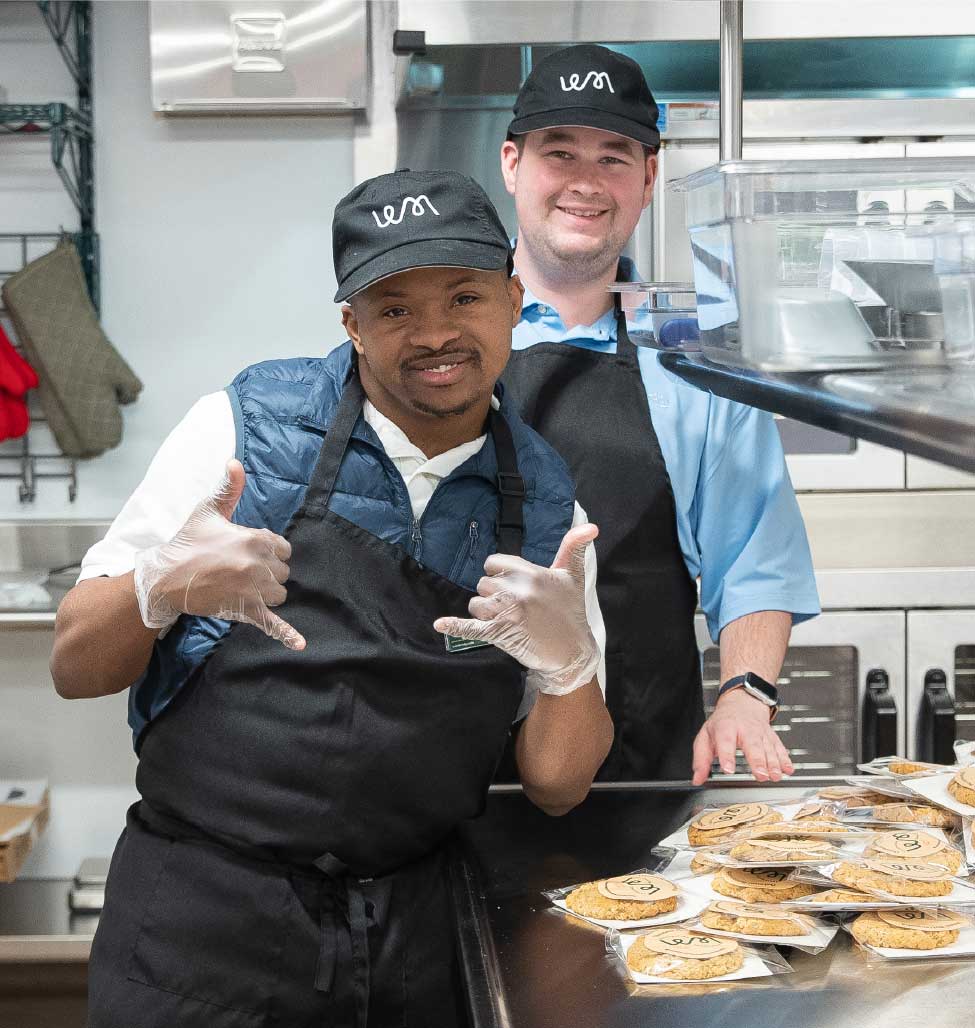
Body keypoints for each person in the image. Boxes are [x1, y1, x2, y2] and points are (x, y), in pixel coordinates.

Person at [51, 169, 613, 1028]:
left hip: (417, 935)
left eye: (464, 298)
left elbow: (559, 787)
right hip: (200, 925)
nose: (435, 334)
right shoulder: (239, 432)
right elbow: (76, 668)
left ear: (511, 299)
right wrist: (156, 586)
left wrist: (569, 667)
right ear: (351, 324)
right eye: (394, 309)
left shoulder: (546, 509)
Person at [498, 44, 820, 785]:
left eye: (613, 158)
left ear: (647, 179)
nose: (586, 182)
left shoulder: (693, 355)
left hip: (641, 768)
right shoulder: (441, 338)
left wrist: (746, 695)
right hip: (448, 768)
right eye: (560, 152)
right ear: (513, 164)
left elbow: (755, 557)